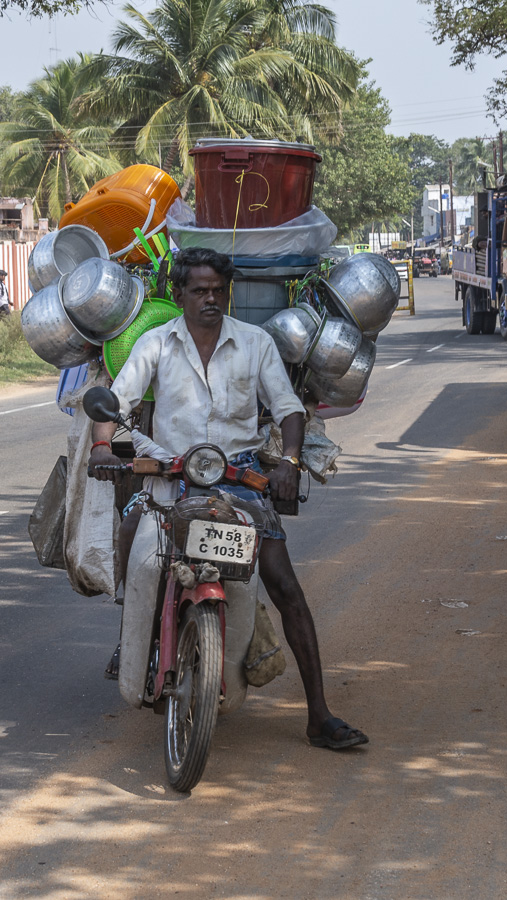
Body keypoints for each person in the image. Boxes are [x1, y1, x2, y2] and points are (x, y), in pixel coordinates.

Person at [88, 247, 367, 751]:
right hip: (171, 474)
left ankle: (319, 714)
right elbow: (117, 399)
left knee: (284, 584)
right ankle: (139, 638)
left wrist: (290, 462)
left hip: (239, 480)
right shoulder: (155, 344)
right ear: (179, 295)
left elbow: (287, 409)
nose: (210, 299)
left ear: (228, 292)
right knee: (135, 539)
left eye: (218, 290)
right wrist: (102, 445)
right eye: (199, 291)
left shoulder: (255, 343)